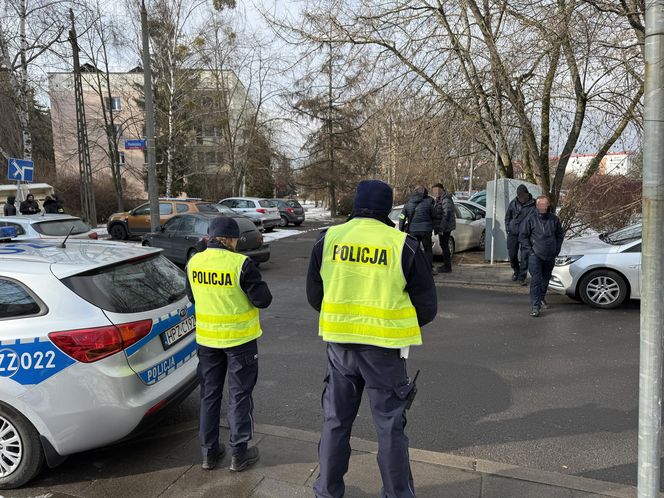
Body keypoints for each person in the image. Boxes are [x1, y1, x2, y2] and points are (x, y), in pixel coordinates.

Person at [307, 179, 438, 498]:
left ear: (356, 204)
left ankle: (327, 491)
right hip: (384, 351)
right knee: (390, 428)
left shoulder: (328, 239)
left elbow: (315, 296)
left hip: (340, 348)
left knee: (336, 422)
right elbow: (427, 307)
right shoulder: (403, 244)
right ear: (386, 208)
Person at [185, 217, 272, 471]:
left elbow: (192, 297)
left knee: (209, 395)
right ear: (232, 239)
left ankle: (209, 453)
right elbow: (263, 300)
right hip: (239, 342)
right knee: (239, 395)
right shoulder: (241, 264)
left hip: (207, 341)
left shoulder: (194, 263)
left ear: (210, 237)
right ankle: (238, 453)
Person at [519, 196, 564, 317]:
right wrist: (530, 251)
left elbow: (560, 235)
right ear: (537, 205)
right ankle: (535, 306)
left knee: (545, 279)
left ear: (548, 205)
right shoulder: (530, 219)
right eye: (540, 205)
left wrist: (556, 249)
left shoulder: (554, 219)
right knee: (536, 280)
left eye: (544, 204)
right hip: (535, 255)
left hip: (550, 254)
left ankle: (541, 298)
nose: (542, 207)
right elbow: (523, 237)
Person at [398, 185, 436, 273]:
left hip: (413, 231)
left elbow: (402, 217)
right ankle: (428, 269)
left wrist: (401, 229)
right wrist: (432, 226)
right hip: (426, 231)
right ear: (423, 194)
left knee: (414, 250)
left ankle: (415, 269)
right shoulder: (428, 203)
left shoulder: (408, 204)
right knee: (428, 250)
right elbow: (434, 215)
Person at [505, 185, 536, 285]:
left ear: (527, 194)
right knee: (512, 255)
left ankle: (522, 277)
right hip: (513, 233)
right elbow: (507, 217)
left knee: (525, 257)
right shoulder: (513, 203)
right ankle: (516, 271)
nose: (522, 198)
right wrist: (508, 228)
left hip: (527, 235)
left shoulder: (534, 204)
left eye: (523, 195)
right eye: (519, 196)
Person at [432, 183, 456, 273]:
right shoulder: (439, 199)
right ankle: (446, 265)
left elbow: (446, 215)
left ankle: (447, 266)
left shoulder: (446, 200)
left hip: (445, 228)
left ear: (441, 189)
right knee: (443, 245)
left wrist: (441, 228)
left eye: (436, 190)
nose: (435, 192)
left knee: (444, 246)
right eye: (434, 191)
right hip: (443, 227)